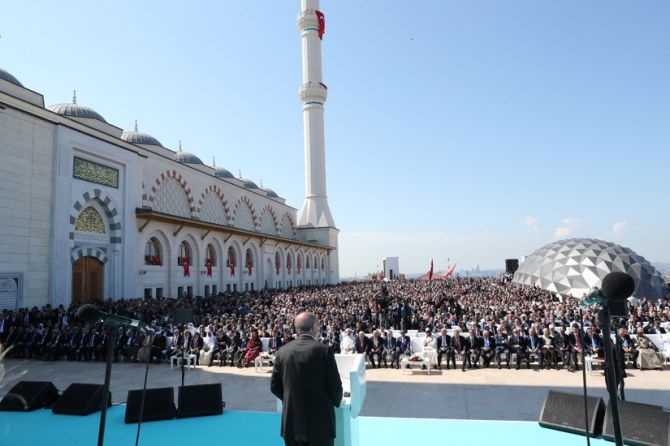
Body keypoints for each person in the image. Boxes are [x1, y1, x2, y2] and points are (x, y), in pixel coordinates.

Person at [270, 311, 343, 446]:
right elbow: (335, 386)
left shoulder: (282, 351)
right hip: (320, 423)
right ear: (314, 328)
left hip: (292, 423)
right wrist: (337, 401)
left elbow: (274, 386)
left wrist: (290, 399)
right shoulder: (324, 351)